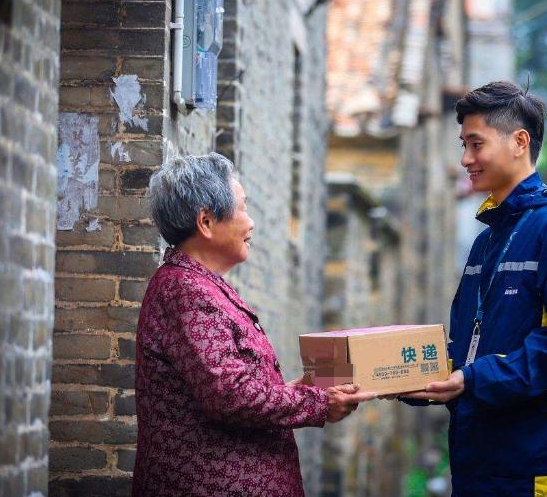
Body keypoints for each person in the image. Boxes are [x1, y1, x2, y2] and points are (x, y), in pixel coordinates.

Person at [400, 81, 547, 496]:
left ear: (519, 141)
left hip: (544, 463)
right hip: (483, 453)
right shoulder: (489, 238)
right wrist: (405, 376)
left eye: (475, 144)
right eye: (463, 145)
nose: (465, 159)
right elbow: (476, 348)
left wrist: (473, 379)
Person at [133, 153, 376, 497]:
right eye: (243, 208)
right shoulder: (184, 290)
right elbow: (229, 395)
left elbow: (232, 386)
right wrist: (317, 403)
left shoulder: (201, 285)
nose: (251, 223)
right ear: (205, 221)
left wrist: (300, 390)